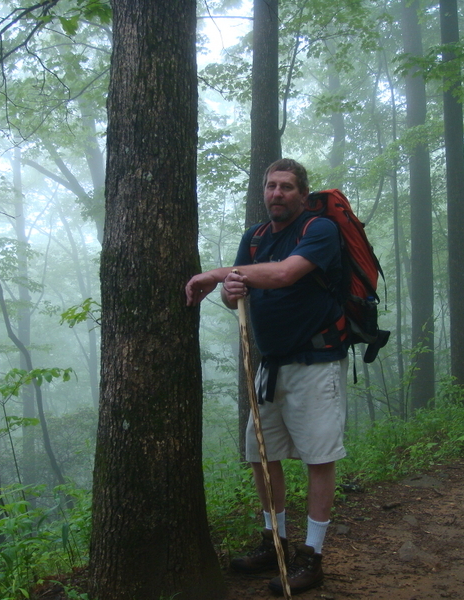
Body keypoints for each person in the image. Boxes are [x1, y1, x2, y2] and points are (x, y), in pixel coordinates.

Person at [185, 158, 349, 595]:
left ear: (302, 193)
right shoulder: (254, 238)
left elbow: (283, 274)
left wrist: (219, 274)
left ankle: (311, 558)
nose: (277, 194)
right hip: (270, 364)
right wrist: (229, 289)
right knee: (261, 453)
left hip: (316, 362)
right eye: (271, 186)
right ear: (264, 191)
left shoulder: (319, 230)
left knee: (318, 457)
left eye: (287, 187)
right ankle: (272, 540)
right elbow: (235, 293)